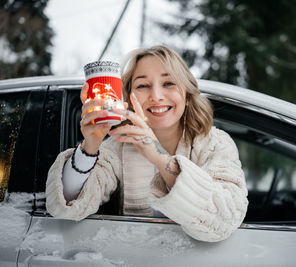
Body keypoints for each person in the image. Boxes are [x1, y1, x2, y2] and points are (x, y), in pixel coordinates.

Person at [46, 45, 248, 242]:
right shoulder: (116, 148)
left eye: (168, 83)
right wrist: (90, 147)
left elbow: (224, 220)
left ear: (186, 94)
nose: (156, 96)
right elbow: (67, 206)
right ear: (128, 98)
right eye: (142, 86)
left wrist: (156, 156)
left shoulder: (215, 144)